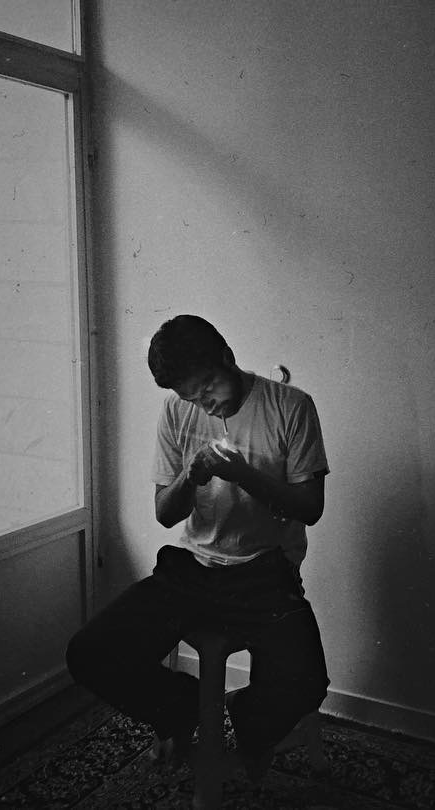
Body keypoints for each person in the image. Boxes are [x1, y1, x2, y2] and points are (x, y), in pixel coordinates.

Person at [66, 314, 330, 777]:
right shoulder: (176, 411)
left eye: (208, 390)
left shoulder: (291, 406)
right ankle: (182, 707)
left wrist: (243, 474)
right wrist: (191, 475)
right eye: (190, 397)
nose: (203, 407)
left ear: (227, 359)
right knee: (90, 653)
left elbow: (310, 507)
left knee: (307, 682)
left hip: (265, 572)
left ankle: (244, 724)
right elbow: (166, 514)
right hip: (190, 569)